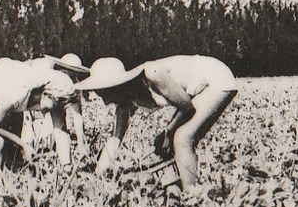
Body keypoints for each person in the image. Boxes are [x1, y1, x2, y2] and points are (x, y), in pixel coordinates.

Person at [76, 55, 238, 192]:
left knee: (183, 137)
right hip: (197, 89)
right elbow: (115, 138)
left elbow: (187, 107)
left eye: (106, 94)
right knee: (166, 142)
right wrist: (98, 176)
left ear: (117, 85)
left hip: (215, 77)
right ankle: (178, 185)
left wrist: (169, 130)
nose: (105, 102)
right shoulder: (125, 100)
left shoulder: (152, 74)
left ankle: (193, 197)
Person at [0, 58, 80, 175]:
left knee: (13, 147)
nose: (56, 109)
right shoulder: (17, 93)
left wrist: (67, 166)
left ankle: (11, 175)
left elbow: (60, 130)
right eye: (57, 104)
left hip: (2, 93)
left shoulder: (54, 95)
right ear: (45, 94)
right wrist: (24, 146)